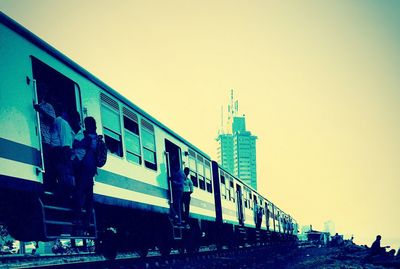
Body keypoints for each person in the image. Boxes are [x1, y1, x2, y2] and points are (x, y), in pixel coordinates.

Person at [73, 117, 98, 229]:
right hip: (90, 171)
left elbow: (76, 144)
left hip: (84, 171)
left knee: (79, 194)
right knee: (88, 198)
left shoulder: (88, 138)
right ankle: (86, 221)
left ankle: (78, 218)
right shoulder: (96, 138)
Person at [33, 87, 57, 189]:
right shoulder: (33, 102)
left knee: (46, 163)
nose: (41, 92)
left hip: (45, 138)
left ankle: (48, 185)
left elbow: (53, 120)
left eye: (43, 91)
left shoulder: (48, 106)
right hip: (35, 137)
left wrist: (41, 110)